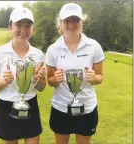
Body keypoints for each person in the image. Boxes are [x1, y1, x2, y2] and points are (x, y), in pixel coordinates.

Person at [45, 3, 105, 144]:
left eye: (75, 20)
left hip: (87, 108)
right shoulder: (53, 49)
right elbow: (50, 81)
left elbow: (100, 77)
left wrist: (93, 77)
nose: (71, 24)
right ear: (60, 23)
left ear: (81, 22)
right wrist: (56, 79)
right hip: (61, 108)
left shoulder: (94, 46)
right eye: (67, 20)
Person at [0, 7, 46, 144]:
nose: (23, 30)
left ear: (33, 29)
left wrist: (39, 79)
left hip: (30, 104)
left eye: (28, 26)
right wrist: (3, 82)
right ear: (10, 27)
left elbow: (41, 87)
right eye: (18, 25)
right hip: (6, 106)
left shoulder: (38, 54)